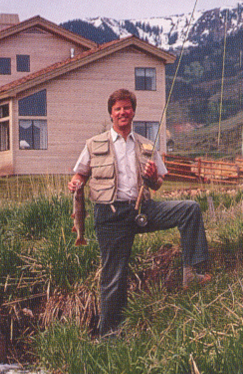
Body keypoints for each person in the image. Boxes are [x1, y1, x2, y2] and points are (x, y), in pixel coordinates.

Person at [68, 88, 211, 338]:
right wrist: (75, 183)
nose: (123, 112)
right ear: (111, 114)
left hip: (143, 209)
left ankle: (191, 272)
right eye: (118, 109)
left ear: (133, 112)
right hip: (110, 216)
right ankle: (109, 337)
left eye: (127, 107)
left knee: (190, 209)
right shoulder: (94, 144)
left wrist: (153, 175)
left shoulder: (147, 144)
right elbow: (80, 174)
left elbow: (157, 184)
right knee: (114, 277)